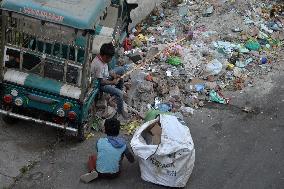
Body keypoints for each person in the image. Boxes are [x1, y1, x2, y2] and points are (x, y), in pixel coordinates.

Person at [80, 118, 135, 183]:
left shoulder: (100, 141)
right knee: (119, 155)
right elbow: (131, 160)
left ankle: (92, 171)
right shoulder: (123, 144)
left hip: (99, 172)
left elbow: (100, 153)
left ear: (105, 130)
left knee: (92, 157)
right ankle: (113, 166)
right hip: (115, 174)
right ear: (118, 130)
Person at [91, 43, 129, 119]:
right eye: (110, 58)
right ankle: (120, 111)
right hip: (100, 85)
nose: (110, 60)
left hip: (105, 76)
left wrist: (114, 75)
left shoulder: (102, 58)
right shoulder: (98, 65)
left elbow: (107, 71)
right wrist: (113, 82)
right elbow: (101, 82)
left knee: (121, 70)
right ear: (105, 56)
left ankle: (117, 93)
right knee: (120, 94)